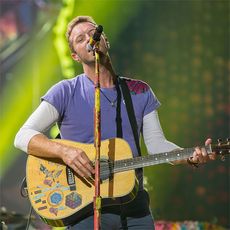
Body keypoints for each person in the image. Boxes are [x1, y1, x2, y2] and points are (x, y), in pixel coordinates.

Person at [14, 15, 216, 229]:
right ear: (75, 56)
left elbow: (158, 145)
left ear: (105, 41)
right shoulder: (65, 91)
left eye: (93, 34)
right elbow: (22, 136)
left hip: (135, 208)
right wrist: (66, 152)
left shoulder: (140, 91)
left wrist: (189, 156)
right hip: (85, 209)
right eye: (80, 39)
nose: (90, 40)